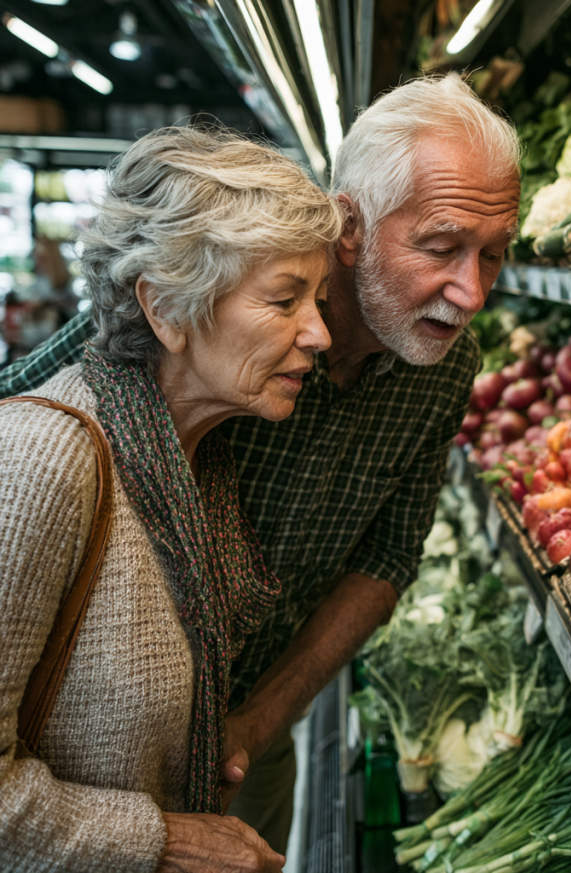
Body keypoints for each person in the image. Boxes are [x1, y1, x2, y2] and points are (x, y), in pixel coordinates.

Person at [0, 74, 522, 854]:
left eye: (495, 255)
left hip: (239, 726)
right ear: (351, 224)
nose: (471, 291)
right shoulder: (155, 348)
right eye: (441, 247)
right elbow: (29, 421)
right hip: (87, 749)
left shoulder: (435, 368)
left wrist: (256, 721)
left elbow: (386, 554)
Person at [0, 126, 343, 872]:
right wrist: (163, 839)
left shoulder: (196, 462)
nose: (318, 332)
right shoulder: (45, 459)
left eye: (316, 298)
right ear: (165, 309)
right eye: (285, 299)